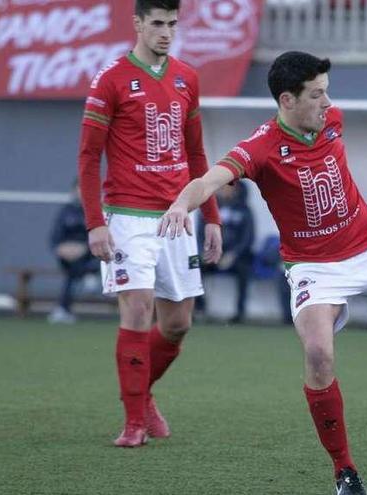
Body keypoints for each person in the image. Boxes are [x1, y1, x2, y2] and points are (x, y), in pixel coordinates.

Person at [157, 51, 367, 494]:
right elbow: (210, 179)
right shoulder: (259, 148)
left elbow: (329, 117)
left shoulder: (333, 120)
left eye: (327, 92)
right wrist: (182, 203)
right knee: (318, 354)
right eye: (316, 94)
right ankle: (345, 472)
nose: (327, 103)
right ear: (287, 100)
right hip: (315, 267)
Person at [77, 0, 222, 447]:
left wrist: (211, 216)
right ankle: (134, 423)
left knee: (178, 323)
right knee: (138, 310)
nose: (165, 32)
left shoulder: (187, 78)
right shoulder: (111, 80)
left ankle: (144, 395)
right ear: (138, 24)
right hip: (128, 216)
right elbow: (88, 156)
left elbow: (197, 155)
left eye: (172, 24)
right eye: (157, 23)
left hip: (179, 216)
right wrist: (95, 223)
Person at [197, 181, 255, 323]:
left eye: (228, 187)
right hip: (212, 254)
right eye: (221, 187)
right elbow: (200, 234)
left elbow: (248, 237)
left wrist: (233, 255)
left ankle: (240, 313)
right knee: (193, 265)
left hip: (235, 257)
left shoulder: (245, 211)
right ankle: (198, 308)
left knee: (244, 269)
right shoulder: (209, 209)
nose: (224, 190)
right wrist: (205, 252)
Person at [48, 179, 98, 324]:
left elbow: (101, 234)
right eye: (79, 189)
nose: (81, 192)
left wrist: (84, 248)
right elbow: (55, 237)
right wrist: (60, 249)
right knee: (73, 269)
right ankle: (89, 275)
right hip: (67, 257)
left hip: (91, 254)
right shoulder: (65, 211)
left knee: (73, 273)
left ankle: (63, 308)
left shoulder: (96, 210)